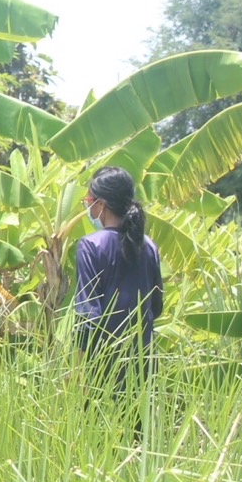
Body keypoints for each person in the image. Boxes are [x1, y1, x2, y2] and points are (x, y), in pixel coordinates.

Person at [75, 166, 163, 393]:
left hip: (102, 367)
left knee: (97, 427)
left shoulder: (91, 246)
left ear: (101, 204)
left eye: (89, 200)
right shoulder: (150, 246)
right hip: (144, 365)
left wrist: (78, 369)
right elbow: (156, 306)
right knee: (139, 428)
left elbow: (88, 314)